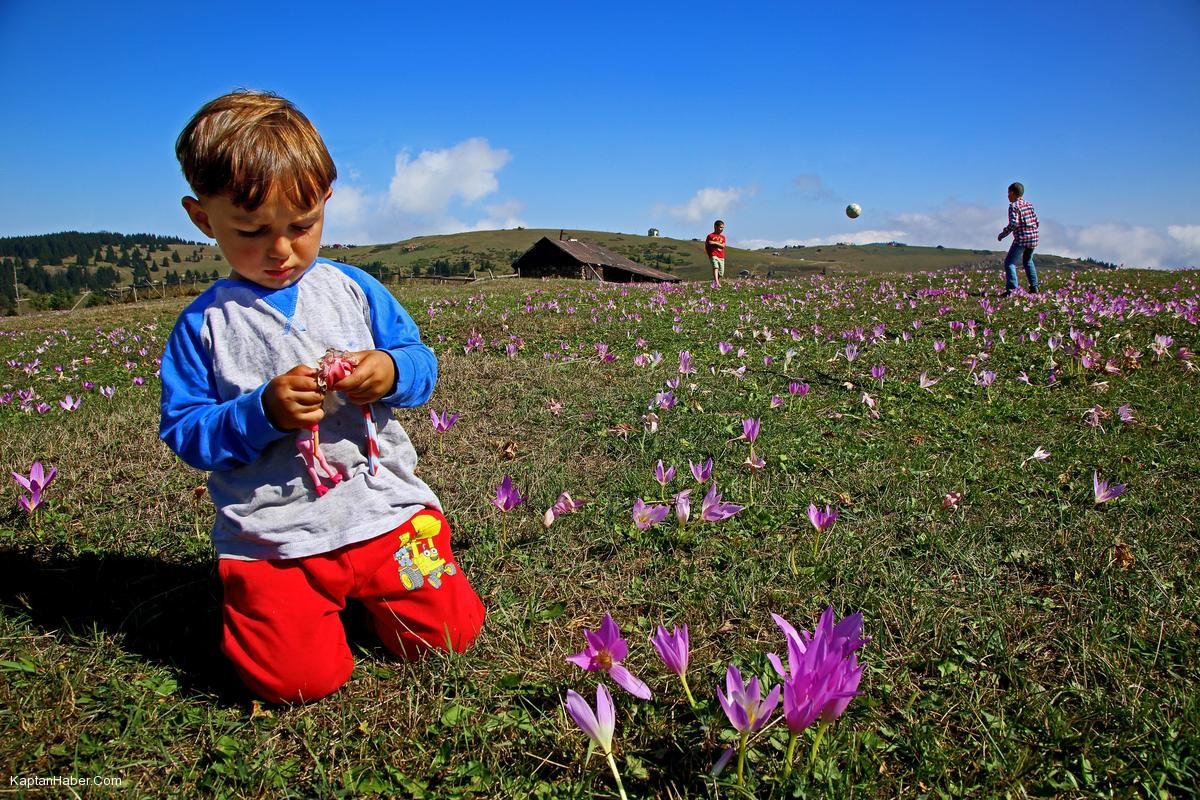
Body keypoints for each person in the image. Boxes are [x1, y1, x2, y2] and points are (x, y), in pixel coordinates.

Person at [160, 90, 485, 704]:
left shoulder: (354, 289)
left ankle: (377, 593)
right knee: (298, 683)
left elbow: (422, 363)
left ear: (325, 203)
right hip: (279, 541)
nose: (281, 250)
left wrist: (388, 370)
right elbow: (186, 431)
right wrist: (261, 413)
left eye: (301, 225)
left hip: (387, 518)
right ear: (203, 218)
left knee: (451, 634)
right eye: (252, 231)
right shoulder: (205, 327)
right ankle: (304, 610)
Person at [997, 182, 1040, 295]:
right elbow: (1037, 220)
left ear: (1012, 193)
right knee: (1027, 260)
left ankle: (1012, 289)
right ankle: (1034, 287)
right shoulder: (1028, 204)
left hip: (1022, 238)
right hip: (1034, 238)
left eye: (1008, 193)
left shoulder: (1014, 206)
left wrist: (1003, 234)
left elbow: (1014, 223)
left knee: (1009, 262)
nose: (1007, 196)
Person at [705, 219, 726, 287]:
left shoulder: (723, 237)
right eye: (720, 227)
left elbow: (723, 246)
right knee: (715, 267)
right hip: (713, 255)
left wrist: (714, 242)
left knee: (721, 273)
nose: (722, 229)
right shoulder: (710, 236)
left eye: (723, 227)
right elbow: (708, 244)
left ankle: (715, 283)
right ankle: (717, 283)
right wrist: (709, 254)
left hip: (721, 256)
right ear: (715, 227)